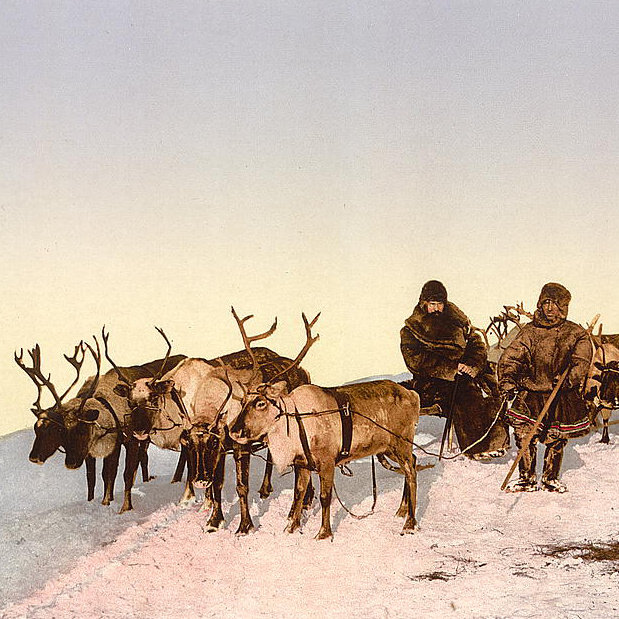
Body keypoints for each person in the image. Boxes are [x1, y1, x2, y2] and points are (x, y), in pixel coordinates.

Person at [498, 282, 593, 492]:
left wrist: (568, 380)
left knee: (555, 437)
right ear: (540, 304)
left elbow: (581, 362)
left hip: (560, 393)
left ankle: (550, 477)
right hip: (531, 392)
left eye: (555, 304)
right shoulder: (530, 331)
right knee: (524, 434)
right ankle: (526, 478)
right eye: (546, 303)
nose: (550, 308)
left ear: (563, 307)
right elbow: (512, 356)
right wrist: (508, 378)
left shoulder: (575, 333)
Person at [400, 280, 509, 459]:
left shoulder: (458, 321)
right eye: (432, 304)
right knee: (465, 393)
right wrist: (452, 369)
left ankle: (497, 443)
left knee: (493, 391)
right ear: (423, 304)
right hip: (433, 380)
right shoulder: (411, 329)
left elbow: (476, 344)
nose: (436, 309)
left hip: (466, 372)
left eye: (440, 304)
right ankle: (476, 447)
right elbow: (416, 361)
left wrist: (472, 365)